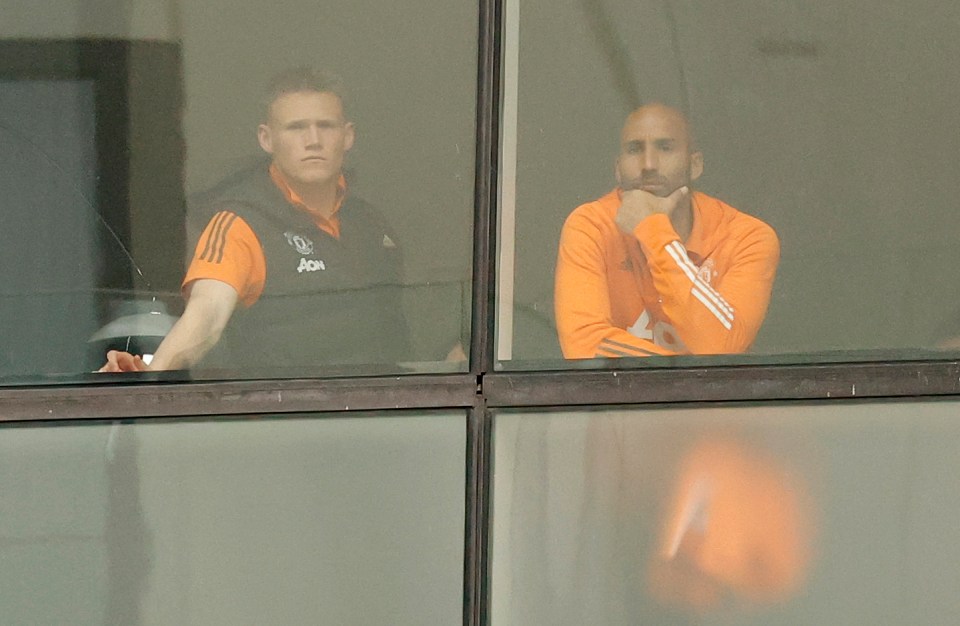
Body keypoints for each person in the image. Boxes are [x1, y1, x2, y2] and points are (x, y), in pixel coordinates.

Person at [101, 67, 408, 372]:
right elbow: (207, 314)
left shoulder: (369, 223)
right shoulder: (239, 223)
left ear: (348, 135)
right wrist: (153, 378)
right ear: (266, 139)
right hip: (289, 414)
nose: (313, 140)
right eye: (296, 127)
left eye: (326, 126)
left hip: (385, 410)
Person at [554, 103, 779, 358]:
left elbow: (721, 348)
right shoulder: (591, 225)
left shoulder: (746, 237)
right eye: (634, 149)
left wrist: (652, 229)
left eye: (665, 147)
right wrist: (692, 371)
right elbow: (585, 345)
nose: (649, 164)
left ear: (695, 164)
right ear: (617, 168)